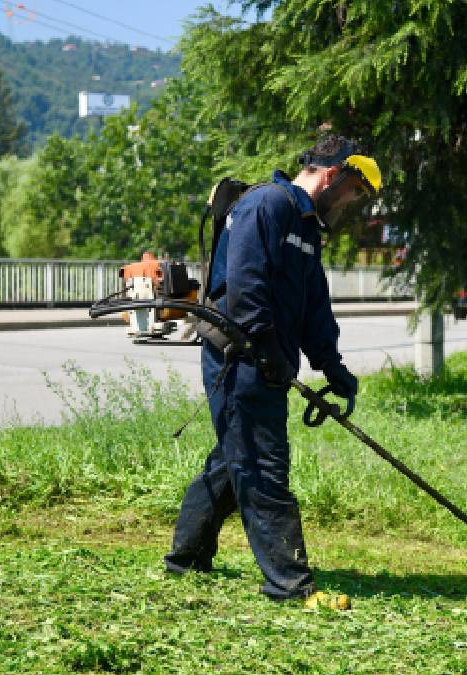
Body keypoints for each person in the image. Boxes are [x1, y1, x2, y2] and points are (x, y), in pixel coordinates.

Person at [164, 136, 382, 603]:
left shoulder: (305, 226)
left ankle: (186, 559)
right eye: (352, 192)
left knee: (232, 458)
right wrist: (265, 349)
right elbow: (245, 286)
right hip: (239, 358)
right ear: (332, 175)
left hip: (266, 361)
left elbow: (313, 306)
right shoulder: (265, 205)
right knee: (261, 464)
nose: (351, 203)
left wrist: (331, 364)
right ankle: (290, 584)